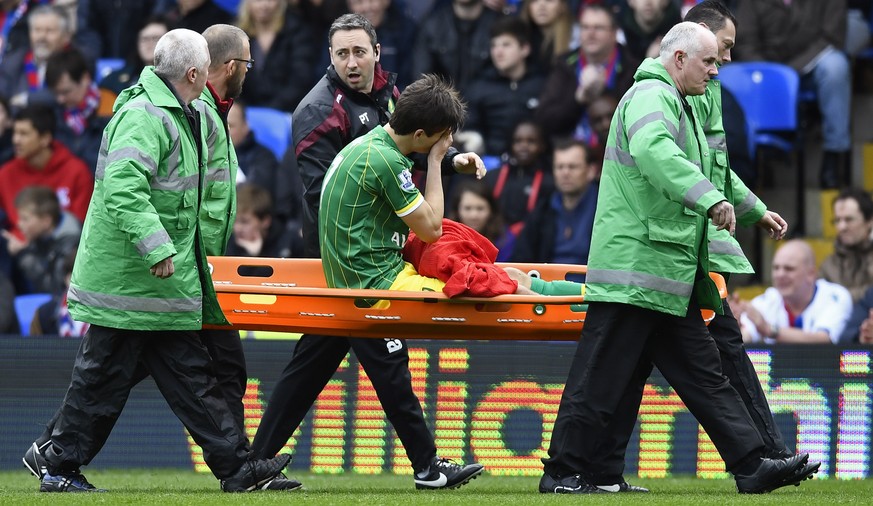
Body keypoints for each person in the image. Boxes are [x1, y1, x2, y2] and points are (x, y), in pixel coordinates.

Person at [539, 22, 815, 495]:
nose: (717, 68)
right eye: (709, 61)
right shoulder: (652, 96)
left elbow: (709, 169)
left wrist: (753, 210)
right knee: (602, 377)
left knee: (697, 376)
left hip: (663, 270)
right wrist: (710, 201)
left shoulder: (675, 100)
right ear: (680, 59)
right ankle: (563, 472)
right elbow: (655, 152)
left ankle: (749, 465)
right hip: (635, 268)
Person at [32, 28, 295, 493]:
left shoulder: (179, 111)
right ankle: (56, 464)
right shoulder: (145, 115)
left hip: (157, 283)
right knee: (103, 381)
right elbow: (123, 188)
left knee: (189, 379)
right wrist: (157, 247)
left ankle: (235, 468)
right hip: (133, 280)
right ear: (193, 73)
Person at [249, 15, 487, 489]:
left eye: (360, 51)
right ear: (329, 57)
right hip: (349, 256)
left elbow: (412, 147)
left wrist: (451, 163)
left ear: (378, 51)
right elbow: (323, 195)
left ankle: (251, 464)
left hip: (378, 250)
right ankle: (427, 466)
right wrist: (381, 237)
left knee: (311, 365)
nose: (352, 62)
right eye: (342, 54)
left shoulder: (389, 97)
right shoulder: (317, 111)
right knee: (388, 360)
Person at [735, 0, 852, 189]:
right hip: (767, 69)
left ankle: (834, 152)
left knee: (836, 67)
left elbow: (832, 37)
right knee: (733, 76)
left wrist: (789, 72)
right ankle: (755, 159)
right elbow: (746, 42)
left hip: (811, 66)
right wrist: (771, 74)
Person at [534, 3, 640, 141]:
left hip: (616, 152)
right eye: (585, 27)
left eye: (598, 28)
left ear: (614, 33)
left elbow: (636, 121)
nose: (591, 33)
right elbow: (544, 120)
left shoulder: (632, 67)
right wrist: (578, 99)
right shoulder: (564, 64)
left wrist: (603, 91)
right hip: (571, 151)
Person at [734, 240, 853, 344]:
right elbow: (746, 336)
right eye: (776, 268)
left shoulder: (835, 296)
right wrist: (732, 327)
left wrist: (769, 330)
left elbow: (823, 340)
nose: (780, 275)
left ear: (811, 274)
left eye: (789, 269)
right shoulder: (766, 300)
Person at [0, 104, 93, 238]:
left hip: (65, 252)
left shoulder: (77, 172)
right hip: (16, 255)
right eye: (15, 133)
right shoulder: (6, 174)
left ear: (45, 138)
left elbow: (82, 228)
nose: (16, 140)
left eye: (24, 134)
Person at [462, 16, 546, 155]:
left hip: (536, 165)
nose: (498, 52)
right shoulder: (479, 87)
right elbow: (470, 129)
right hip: (490, 163)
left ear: (525, 49)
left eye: (506, 45)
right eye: (494, 45)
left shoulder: (542, 84)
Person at [511, 138, 597, 269]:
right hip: (548, 286)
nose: (565, 173)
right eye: (560, 167)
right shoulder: (542, 210)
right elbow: (522, 258)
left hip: (592, 285)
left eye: (572, 167)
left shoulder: (605, 207)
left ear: (590, 171)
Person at [44, 45, 115, 173]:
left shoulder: (111, 107)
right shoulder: (52, 113)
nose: (60, 99)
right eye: (56, 93)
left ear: (85, 79)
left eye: (66, 92)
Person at [235, 0, 316, 112]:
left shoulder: (297, 31)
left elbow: (301, 79)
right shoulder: (236, 35)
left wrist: (271, 110)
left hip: (289, 112)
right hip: (245, 113)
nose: (264, 5)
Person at [2, 185, 80, 295]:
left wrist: (24, 255)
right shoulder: (41, 235)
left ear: (46, 221)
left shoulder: (71, 245)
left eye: (25, 219)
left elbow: (55, 290)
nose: (19, 224)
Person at [412, 0, 500, 94]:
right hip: (441, 104)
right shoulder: (431, 26)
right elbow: (421, 79)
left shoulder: (500, 26)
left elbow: (503, 82)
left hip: (488, 104)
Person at [481, 119, 553, 230]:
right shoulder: (492, 177)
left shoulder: (549, 183)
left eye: (531, 141)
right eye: (518, 141)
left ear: (542, 145)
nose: (523, 146)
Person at [0, 5, 73, 111]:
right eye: (37, 30)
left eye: (49, 31)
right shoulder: (13, 63)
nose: (42, 37)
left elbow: (67, 96)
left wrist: (26, 99)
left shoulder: (74, 62)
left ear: (66, 36)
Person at [819, 187, 873, 302]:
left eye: (849, 219)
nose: (841, 227)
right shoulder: (828, 265)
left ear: (869, 221)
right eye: (837, 220)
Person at [99, 15, 170, 97]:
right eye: (144, 39)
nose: (149, 44)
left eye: (156, 38)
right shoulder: (116, 80)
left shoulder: (180, 77)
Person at [447, 179, 514, 261]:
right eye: (467, 208)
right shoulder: (446, 237)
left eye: (480, 208)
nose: (474, 215)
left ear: (491, 210)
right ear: (457, 210)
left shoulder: (505, 238)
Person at [225, 182, 297, 258]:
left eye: (244, 222)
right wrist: (250, 255)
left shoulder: (290, 243)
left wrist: (255, 256)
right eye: (234, 221)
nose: (237, 228)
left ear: (265, 221)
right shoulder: (227, 244)